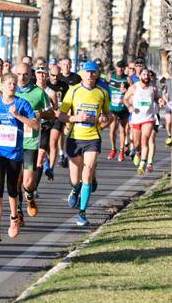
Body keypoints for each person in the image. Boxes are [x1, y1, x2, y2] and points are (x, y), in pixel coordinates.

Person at [0, 73, 37, 241]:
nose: (12, 86)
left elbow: (35, 125)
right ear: (2, 85)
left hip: (14, 152)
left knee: (12, 188)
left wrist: (18, 116)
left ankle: (14, 219)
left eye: (14, 84)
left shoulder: (22, 103)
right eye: (9, 83)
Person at [57, 61, 111, 227]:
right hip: (75, 137)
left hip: (93, 138)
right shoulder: (73, 91)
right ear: (82, 73)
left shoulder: (102, 93)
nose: (90, 75)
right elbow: (61, 115)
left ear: (97, 74)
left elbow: (108, 115)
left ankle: (82, 213)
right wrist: (76, 118)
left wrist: (103, 120)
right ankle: (76, 189)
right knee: (75, 179)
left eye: (93, 72)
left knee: (86, 173)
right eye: (87, 72)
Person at [13, 63, 54, 217]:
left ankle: (29, 195)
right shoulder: (10, 92)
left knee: (28, 182)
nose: (21, 78)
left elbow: (51, 113)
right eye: (18, 74)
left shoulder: (39, 93)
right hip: (12, 142)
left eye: (25, 74)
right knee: (15, 180)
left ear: (31, 75)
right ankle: (18, 210)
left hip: (30, 142)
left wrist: (41, 114)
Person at [123, 68, 160, 174]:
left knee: (145, 138)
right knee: (136, 143)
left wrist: (160, 100)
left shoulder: (153, 88)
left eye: (147, 74)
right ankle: (138, 152)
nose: (146, 76)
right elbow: (125, 99)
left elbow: (156, 97)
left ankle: (143, 164)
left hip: (148, 118)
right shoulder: (134, 87)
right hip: (136, 119)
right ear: (139, 76)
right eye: (144, 74)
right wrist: (129, 106)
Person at [32, 62, 61, 181]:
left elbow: (54, 111)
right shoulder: (31, 90)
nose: (41, 76)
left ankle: (34, 188)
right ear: (35, 74)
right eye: (39, 73)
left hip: (45, 125)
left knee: (41, 155)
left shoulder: (51, 92)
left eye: (43, 73)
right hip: (31, 125)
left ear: (47, 75)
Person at [106, 61, 131, 162]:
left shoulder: (127, 79)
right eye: (119, 67)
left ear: (124, 68)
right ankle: (113, 149)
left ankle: (121, 151)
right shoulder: (110, 77)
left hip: (123, 108)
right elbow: (104, 88)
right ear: (116, 67)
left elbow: (133, 90)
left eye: (122, 67)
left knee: (122, 130)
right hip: (113, 108)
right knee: (112, 130)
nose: (120, 69)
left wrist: (126, 93)